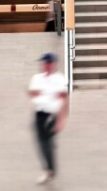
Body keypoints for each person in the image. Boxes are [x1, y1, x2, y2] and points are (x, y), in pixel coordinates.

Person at [28, 52, 69, 186]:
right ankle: (48, 169)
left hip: (52, 114)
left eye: (48, 63)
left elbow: (63, 99)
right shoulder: (37, 78)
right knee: (41, 143)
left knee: (47, 143)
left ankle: (49, 170)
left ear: (53, 64)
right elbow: (33, 93)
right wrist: (49, 95)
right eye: (44, 63)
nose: (45, 66)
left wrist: (61, 120)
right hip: (39, 114)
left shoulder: (59, 79)